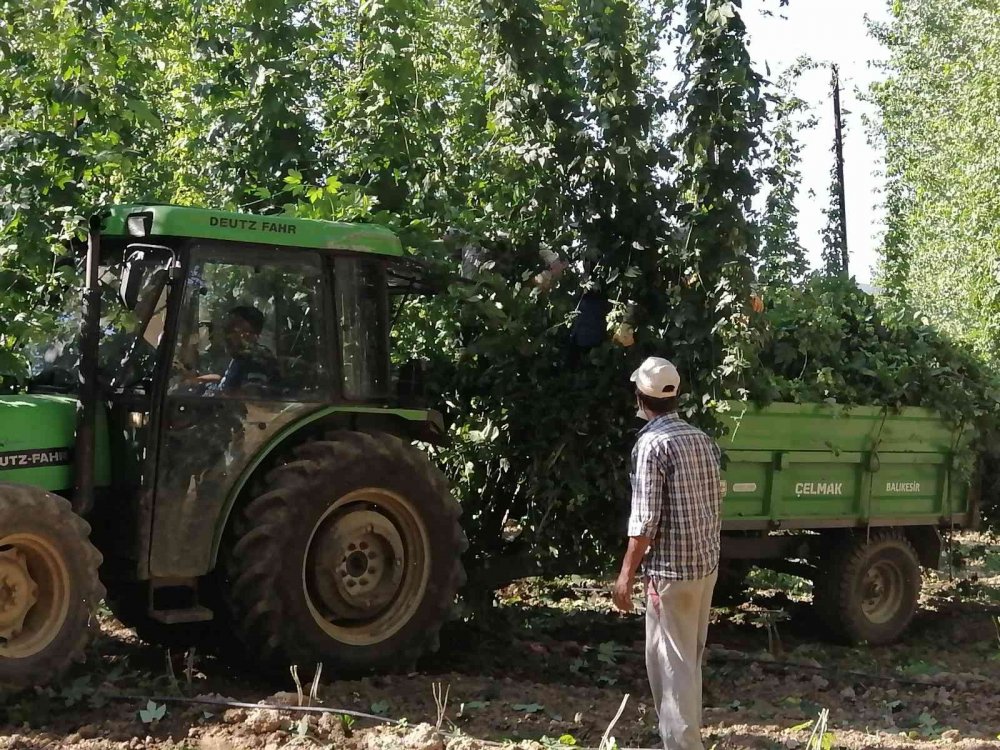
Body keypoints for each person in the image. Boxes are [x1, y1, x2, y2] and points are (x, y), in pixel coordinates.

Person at [612, 356, 723, 750]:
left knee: (669, 668)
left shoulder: (652, 445)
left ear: (640, 396)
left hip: (670, 575)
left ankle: (682, 745)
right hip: (704, 568)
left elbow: (644, 522)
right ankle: (686, 739)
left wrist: (625, 575)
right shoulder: (701, 439)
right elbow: (714, 504)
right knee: (687, 663)